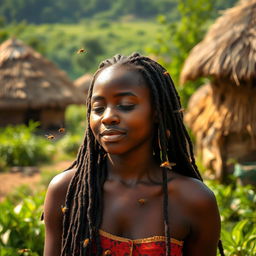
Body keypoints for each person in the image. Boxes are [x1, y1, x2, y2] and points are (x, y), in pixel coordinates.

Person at [43, 53, 224, 256]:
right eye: (98, 108)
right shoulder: (67, 190)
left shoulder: (194, 200)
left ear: (157, 112)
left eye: (126, 105)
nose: (108, 117)